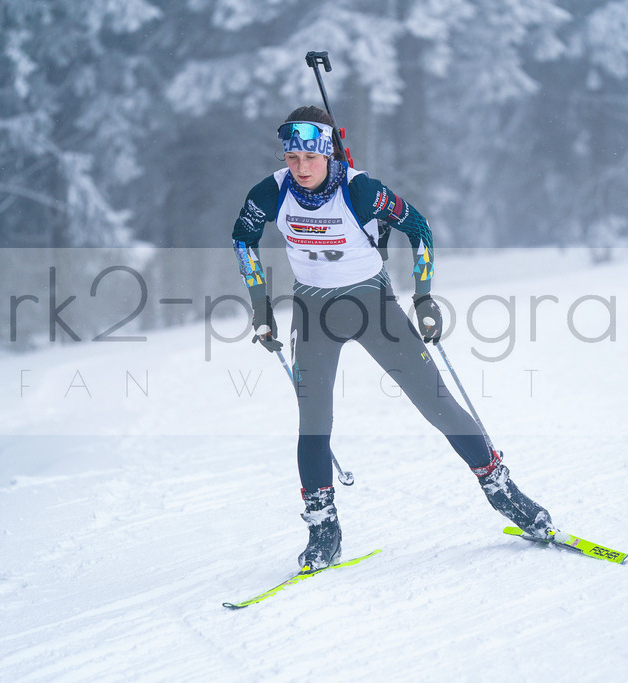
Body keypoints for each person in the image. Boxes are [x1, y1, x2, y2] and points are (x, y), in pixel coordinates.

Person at [231, 105, 555, 571]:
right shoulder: (272, 191)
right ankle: (324, 529)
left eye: (310, 157)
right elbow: (242, 238)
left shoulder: (361, 190)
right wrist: (261, 305)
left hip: (373, 308)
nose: (300, 167)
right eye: (292, 156)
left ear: (329, 153)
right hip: (314, 312)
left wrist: (423, 298)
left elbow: (418, 228)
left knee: (436, 402)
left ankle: (503, 490)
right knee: (314, 421)